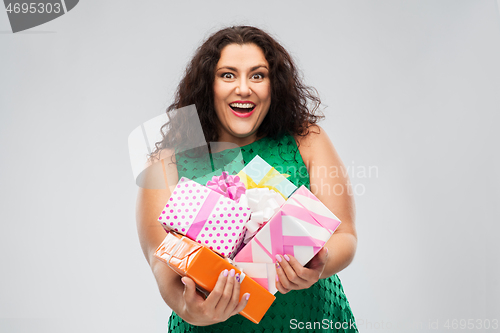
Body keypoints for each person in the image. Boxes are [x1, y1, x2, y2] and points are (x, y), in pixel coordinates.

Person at [136, 26, 358, 332]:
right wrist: (192, 310)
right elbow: (161, 260)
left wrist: (318, 268)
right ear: (207, 85)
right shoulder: (165, 163)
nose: (244, 88)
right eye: (228, 75)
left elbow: (345, 234)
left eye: (258, 75)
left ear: (273, 85)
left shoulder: (307, 140)